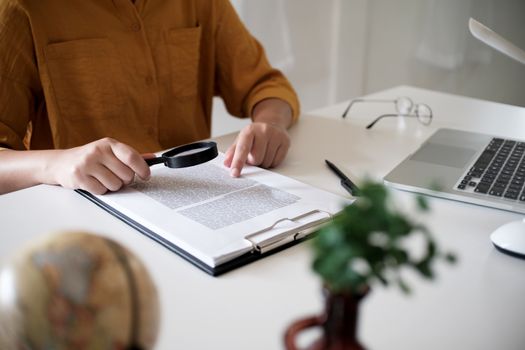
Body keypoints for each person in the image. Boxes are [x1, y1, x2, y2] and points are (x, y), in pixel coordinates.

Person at [0, 0, 299, 195]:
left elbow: (266, 85)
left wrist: (272, 124)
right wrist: (56, 164)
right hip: (78, 223)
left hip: (196, 202)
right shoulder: (20, 9)